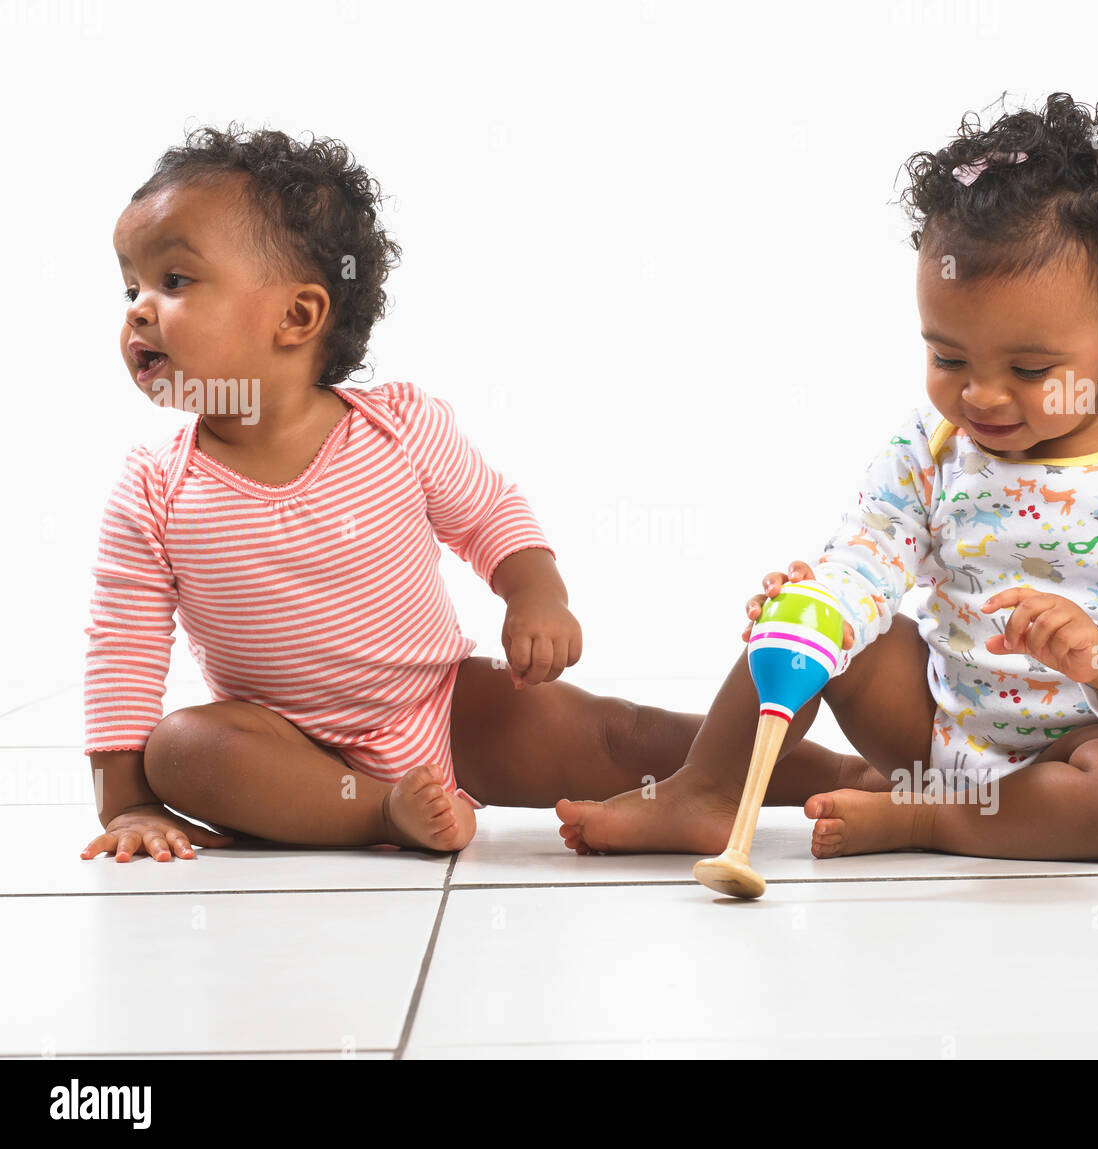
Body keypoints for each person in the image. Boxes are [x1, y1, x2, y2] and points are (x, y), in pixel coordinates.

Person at [81, 125, 862, 863]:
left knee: (619, 735)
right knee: (181, 749)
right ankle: (380, 810)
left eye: (173, 280)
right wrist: (128, 805)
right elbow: (123, 649)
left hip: (447, 707)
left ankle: (834, 778)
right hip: (284, 751)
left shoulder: (397, 427)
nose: (139, 310)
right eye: (130, 288)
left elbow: (490, 516)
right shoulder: (154, 489)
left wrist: (536, 595)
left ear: (298, 314)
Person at [557, 92, 1098, 863]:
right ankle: (710, 789)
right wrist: (819, 602)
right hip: (934, 731)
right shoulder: (935, 446)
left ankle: (933, 819)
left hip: (1087, 754)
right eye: (948, 357)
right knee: (823, 619)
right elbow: (869, 555)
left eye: (1026, 368)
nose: (980, 394)